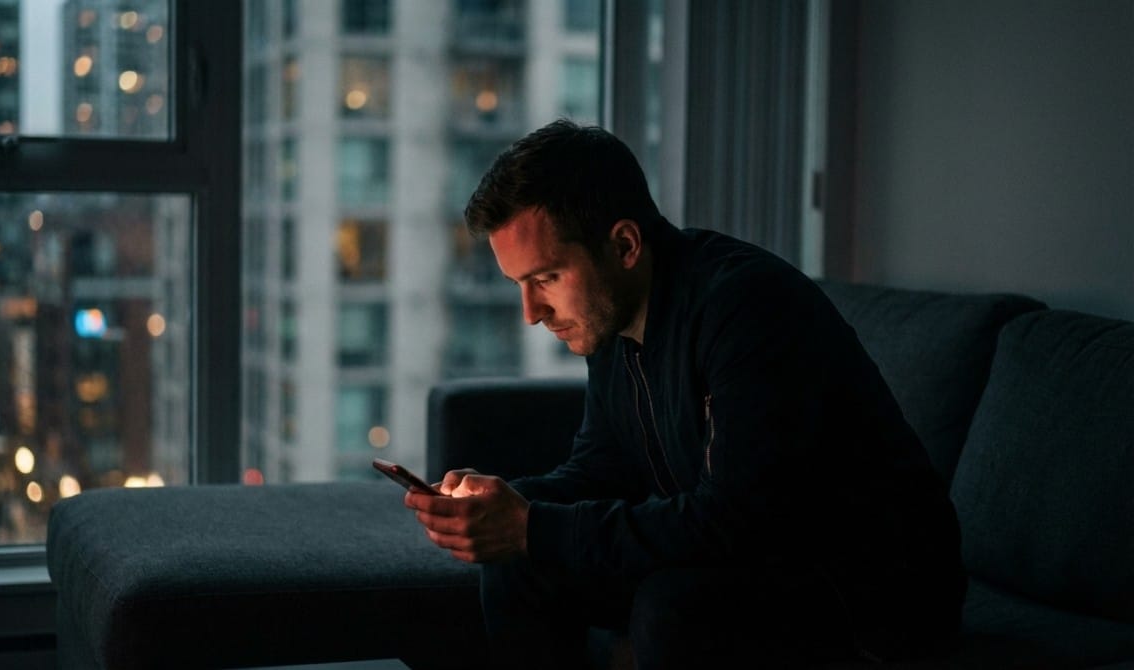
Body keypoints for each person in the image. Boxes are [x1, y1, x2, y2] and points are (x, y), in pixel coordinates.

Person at [404, 119, 967, 669]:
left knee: (671, 608)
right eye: (520, 285)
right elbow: (602, 468)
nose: (531, 313)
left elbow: (737, 519)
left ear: (624, 245)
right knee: (517, 565)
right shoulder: (609, 317)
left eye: (547, 278)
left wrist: (534, 526)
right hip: (757, 557)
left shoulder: (746, 307)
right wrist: (502, 505)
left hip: (873, 585)